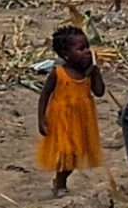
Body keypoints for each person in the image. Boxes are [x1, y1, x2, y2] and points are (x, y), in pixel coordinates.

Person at [35, 25, 107, 197]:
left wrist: (95, 73)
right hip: (62, 120)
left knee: (76, 155)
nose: (87, 52)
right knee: (66, 153)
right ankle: (60, 184)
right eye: (81, 49)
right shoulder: (58, 73)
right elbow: (45, 95)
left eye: (87, 48)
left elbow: (99, 92)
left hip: (82, 121)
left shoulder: (88, 73)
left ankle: (60, 181)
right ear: (66, 54)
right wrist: (41, 119)